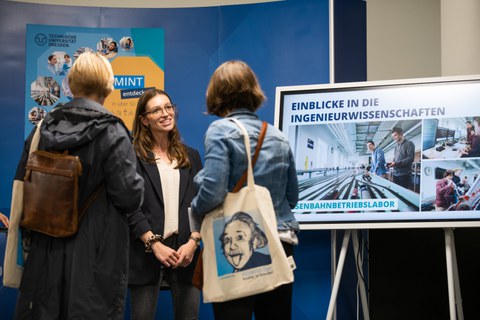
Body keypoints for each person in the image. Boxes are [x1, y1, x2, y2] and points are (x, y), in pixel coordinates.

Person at [13, 52, 144, 319]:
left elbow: (24, 185)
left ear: (71, 84)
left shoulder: (43, 128)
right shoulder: (114, 132)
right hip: (96, 253)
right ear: (109, 85)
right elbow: (130, 196)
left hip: (45, 249)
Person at [190, 60, 299, 320]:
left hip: (238, 244)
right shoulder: (278, 136)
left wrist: (196, 206)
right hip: (280, 241)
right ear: (252, 90)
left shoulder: (220, 131)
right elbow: (292, 197)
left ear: (217, 93)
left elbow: (213, 192)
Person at [127, 88, 203, 320]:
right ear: (144, 120)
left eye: (168, 107)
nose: (165, 113)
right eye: (157, 110)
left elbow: (202, 204)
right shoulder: (132, 156)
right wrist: (153, 243)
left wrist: (194, 241)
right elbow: (128, 206)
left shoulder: (191, 156)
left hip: (185, 254)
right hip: (146, 252)